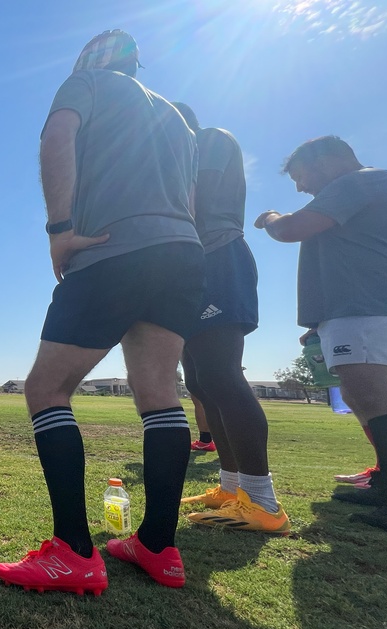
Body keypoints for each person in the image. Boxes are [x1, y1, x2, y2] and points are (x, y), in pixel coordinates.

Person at [0, 30, 202, 594]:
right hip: (182, 252)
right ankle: (159, 545)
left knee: (47, 388)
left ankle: (73, 552)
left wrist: (60, 230)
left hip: (113, 247)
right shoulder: (177, 120)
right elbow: (190, 198)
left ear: (92, 60)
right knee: (160, 393)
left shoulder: (86, 83)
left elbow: (58, 136)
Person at [255, 135, 387, 532]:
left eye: (302, 176)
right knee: (360, 394)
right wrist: (317, 324)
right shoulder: (358, 189)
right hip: (353, 309)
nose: (301, 187)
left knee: (374, 393)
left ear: (328, 160)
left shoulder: (364, 180)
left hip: (369, 305)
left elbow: (292, 229)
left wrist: (271, 216)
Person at [171, 103, 289, 534]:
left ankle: (263, 504)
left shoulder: (210, 140)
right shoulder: (183, 150)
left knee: (222, 376)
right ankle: (231, 487)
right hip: (191, 267)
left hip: (218, 258)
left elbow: (190, 199)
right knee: (201, 383)